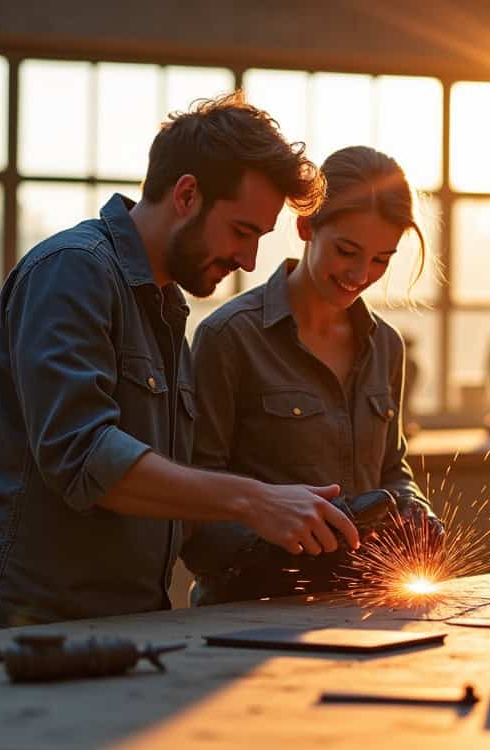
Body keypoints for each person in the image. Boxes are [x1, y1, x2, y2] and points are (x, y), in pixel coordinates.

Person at [0, 94, 360, 635]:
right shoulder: (72, 271)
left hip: (123, 629)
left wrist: (301, 539)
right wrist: (255, 500)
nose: (249, 260)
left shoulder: (165, 310)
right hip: (17, 636)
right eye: (242, 231)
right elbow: (83, 454)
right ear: (186, 195)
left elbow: (171, 503)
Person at [180, 145, 438, 605]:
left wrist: (415, 512)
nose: (360, 273)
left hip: (361, 610)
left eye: (381, 259)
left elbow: (390, 468)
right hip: (246, 614)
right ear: (306, 226)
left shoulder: (386, 346)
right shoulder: (230, 337)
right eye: (346, 251)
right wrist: (278, 544)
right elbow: (194, 499)